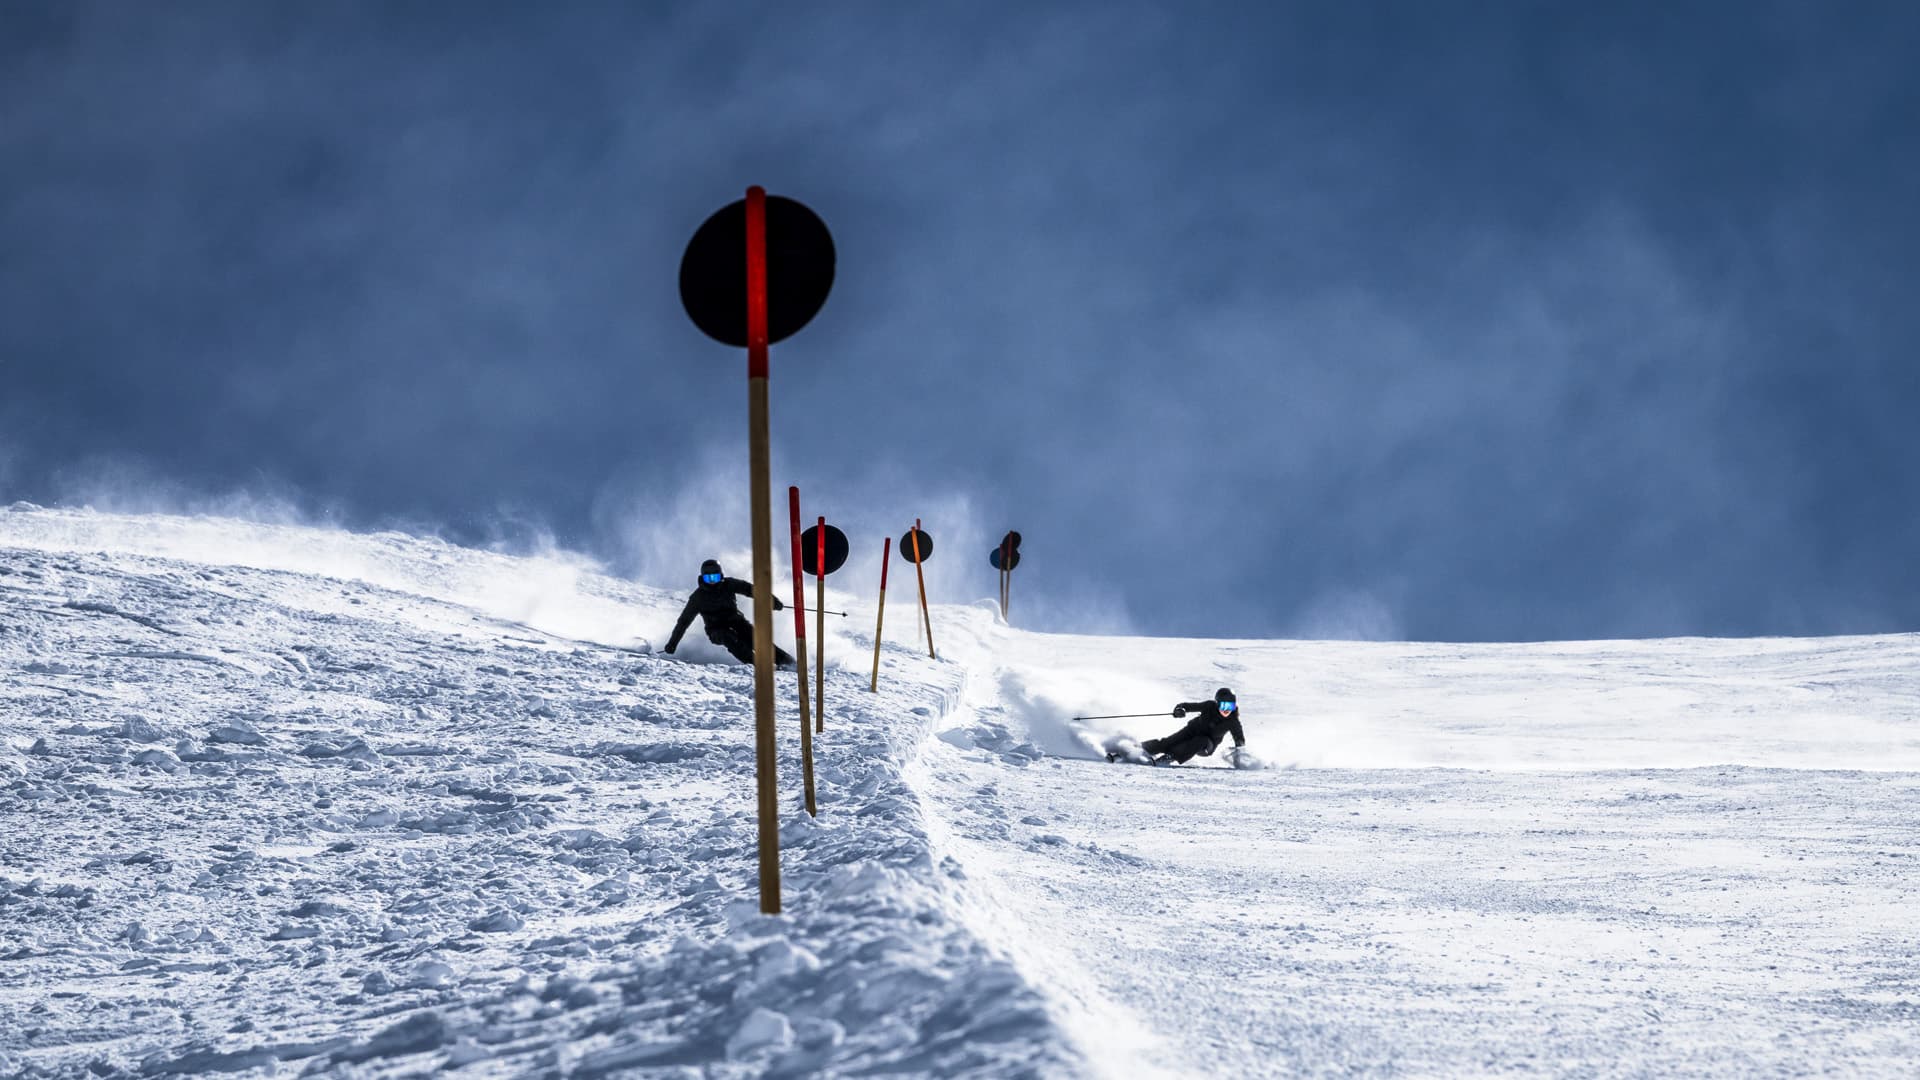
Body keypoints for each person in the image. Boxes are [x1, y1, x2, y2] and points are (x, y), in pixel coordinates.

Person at [663, 559, 795, 666]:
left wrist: (772, 601)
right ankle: (757, 664)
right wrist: (672, 644)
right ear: (702, 578)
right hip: (716, 629)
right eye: (709, 579)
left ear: (721, 576)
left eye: (715, 577)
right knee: (729, 638)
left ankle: (789, 664)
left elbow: (751, 590)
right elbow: (683, 622)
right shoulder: (698, 598)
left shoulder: (729, 584)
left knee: (756, 640)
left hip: (736, 621)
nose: (712, 582)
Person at [1135, 687, 1245, 764]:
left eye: (1230, 706)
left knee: (1200, 740)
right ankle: (1136, 749)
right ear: (1217, 703)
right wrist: (1180, 709)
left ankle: (1168, 758)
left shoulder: (1233, 721)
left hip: (1207, 745)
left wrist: (1240, 757)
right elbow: (1189, 706)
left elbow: (1239, 739)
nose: (1226, 710)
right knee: (1167, 743)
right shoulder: (1209, 706)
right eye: (1223, 705)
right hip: (1191, 731)